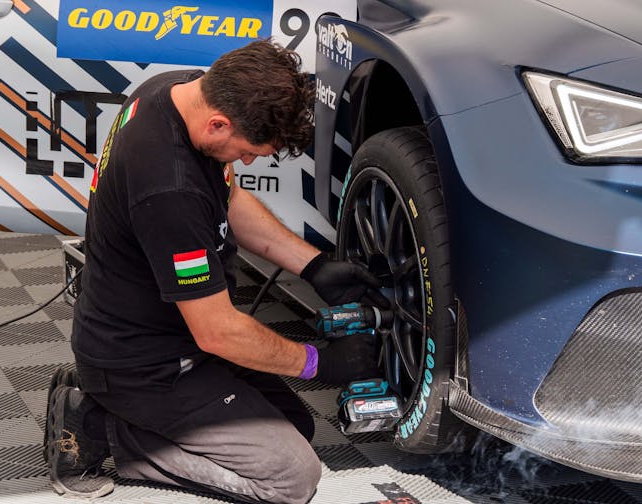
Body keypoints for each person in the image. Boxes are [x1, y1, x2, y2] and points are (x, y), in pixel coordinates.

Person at [44, 39, 387, 503]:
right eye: (246, 151)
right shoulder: (169, 190)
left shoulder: (174, 91)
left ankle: (121, 412)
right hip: (145, 364)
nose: (246, 163)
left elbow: (228, 199)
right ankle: (97, 425)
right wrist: (319, 363)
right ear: (219, 123)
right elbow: (218, 333)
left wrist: (315, 265)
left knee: (297, 426)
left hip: (170, 336)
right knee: (290, 477)